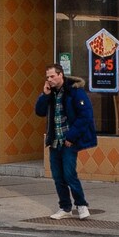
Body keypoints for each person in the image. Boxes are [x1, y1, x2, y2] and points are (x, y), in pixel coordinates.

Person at [34, 63, 97, 219]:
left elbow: (86, 116)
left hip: (69, 141)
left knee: (69, 174)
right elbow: (39, 112)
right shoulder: (51, 93)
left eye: (52, 76)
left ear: (60, 75)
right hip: (55, 141)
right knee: (58, 177)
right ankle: (65, 207)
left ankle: (81, 205)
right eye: (47, 77)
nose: (49, 80)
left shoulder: (75, 91)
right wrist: (45, 95)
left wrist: (71, 136)